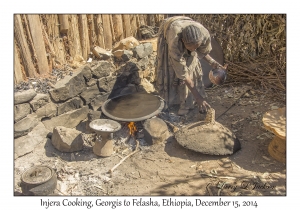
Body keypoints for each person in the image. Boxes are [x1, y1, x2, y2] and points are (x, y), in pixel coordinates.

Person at [156, 16, 227, 115]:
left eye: (196, 47)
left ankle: (187, 103)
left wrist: (213, 62)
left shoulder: (204, 35)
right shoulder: (174, 40)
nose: (193, 50)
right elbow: (183, 72)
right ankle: (172, 102)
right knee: (171, 69)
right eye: (190, 47)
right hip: (170, 28)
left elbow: (201, 51)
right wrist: (199, 98)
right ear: (183, 41)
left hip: (185, 26)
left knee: (192, 65)